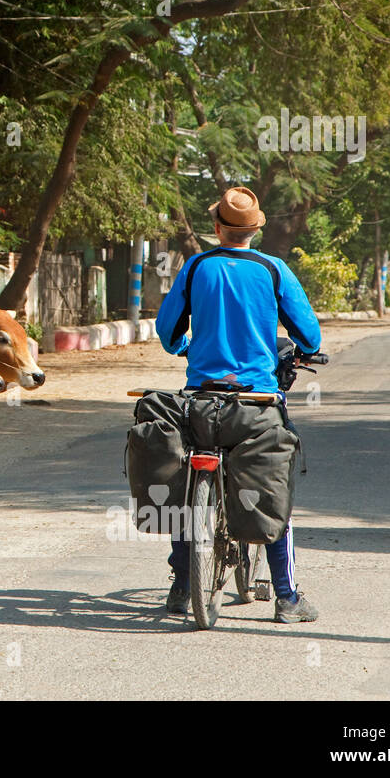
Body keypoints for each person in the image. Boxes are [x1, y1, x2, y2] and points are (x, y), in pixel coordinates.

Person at [153, 186, 323, 623]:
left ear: (217, 228)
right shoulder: (273, 269)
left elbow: (169, 331)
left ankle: (182, 583)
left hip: (201, 400)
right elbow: (309, 335)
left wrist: (184, 346)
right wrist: (299, 349)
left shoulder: (195, 268)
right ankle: (287, 598)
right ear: (256, 229)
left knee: (181, 483)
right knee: (273, 487)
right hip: (256, 402)